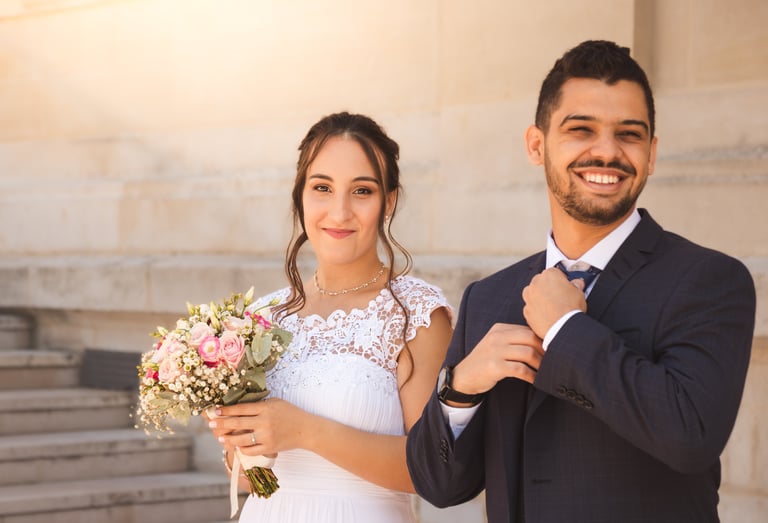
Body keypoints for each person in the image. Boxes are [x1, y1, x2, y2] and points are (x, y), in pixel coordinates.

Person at [406, 40, 756, 523]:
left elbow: (690, 435)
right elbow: (439, 486)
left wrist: (567, 330)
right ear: (536, 144)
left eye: (629, 135)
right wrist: (460, 388)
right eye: (581, 130)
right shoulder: (488, 298)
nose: (607, 152)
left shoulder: (710, 281)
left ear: (652, 153)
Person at [206, 111, 453, 523]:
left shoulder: (417, 313)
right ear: (301, 195)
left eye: (361, 191)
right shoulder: (259, 318)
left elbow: (433, 470)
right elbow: (251, 478)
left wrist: (303, 430)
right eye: (322, 188)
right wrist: (239, 442)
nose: (339, 213)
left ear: (388, 201)